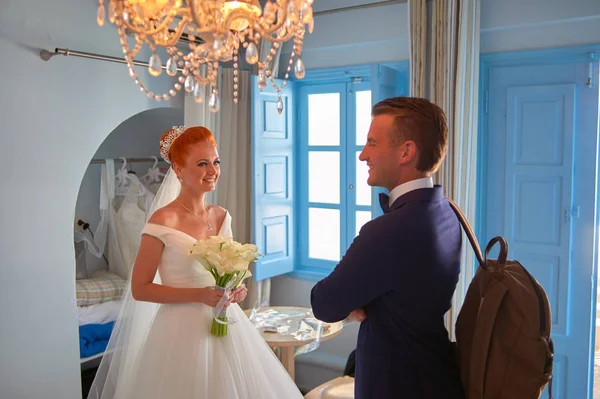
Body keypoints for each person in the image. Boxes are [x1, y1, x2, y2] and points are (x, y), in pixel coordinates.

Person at [88, 126, 303, 399]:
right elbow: (140, 288)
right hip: (180, 332)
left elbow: (229, 273)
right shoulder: (161, 222)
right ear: (178, 170)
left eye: (215, 162)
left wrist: (237, 290)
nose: (212, 170)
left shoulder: (221, 216)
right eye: (202, 164)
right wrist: (199, 295)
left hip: (226, 325)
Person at [310, 98, 465, 399]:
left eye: (371, 143)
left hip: (398, 384)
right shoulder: (446, 211)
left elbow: (324, 303)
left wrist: (360, 302)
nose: (362, 155)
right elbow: (409, 288)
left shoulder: (389, 230)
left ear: (406, 151)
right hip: (435, 374)